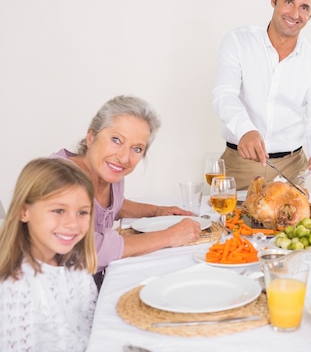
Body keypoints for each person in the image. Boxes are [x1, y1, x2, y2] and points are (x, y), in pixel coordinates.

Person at [52, 95, 202, 281]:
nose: (124, 158)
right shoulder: (60, 178)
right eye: (116, 140)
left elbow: (111, 206)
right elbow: (82, 252)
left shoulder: (109, 173)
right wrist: (169, 236)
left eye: (137, 149)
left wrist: (157, 211)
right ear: (91, 137)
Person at [213, 0, 311, 190]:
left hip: (292, 169)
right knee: (227, 224)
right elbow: (224, 95)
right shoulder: (238, 41)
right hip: (240, 164)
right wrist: (245, 130)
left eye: (304, 7)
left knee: (296, 225)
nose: (294, 13)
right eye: (289, 2)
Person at [0, 158, 98, 352]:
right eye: (58, 210)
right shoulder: (14, 289)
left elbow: (90, 333)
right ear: (24, 211)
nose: (72, 223)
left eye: (82, 212)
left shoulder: (76, 265)